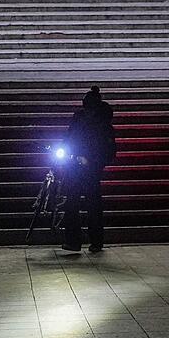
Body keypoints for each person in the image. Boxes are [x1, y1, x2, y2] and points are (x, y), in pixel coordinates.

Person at [60, 85, 115, 252]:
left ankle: (87, 241)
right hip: (78, 166)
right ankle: (81, 241)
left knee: (85, 204)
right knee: (78, 204)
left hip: (90, 168)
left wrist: (92, 161)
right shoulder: (83, 118)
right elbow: (70, 137)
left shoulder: (101, 123)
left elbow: (106, 148)